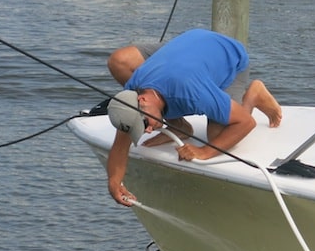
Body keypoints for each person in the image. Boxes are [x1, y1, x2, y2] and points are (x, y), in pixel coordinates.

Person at [105, 28, 282, 206]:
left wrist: (204, 152)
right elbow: (121, 143)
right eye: (142, 128)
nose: (149, 130)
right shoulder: (132, 93)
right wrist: (114, 182)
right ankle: (180, 126)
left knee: (216, 137)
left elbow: (246, 123)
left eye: (144, 124)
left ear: (142, 99)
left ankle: (254, 94)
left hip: (229, 58)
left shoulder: (190, 93)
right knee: (120, 61)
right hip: (189, 50)